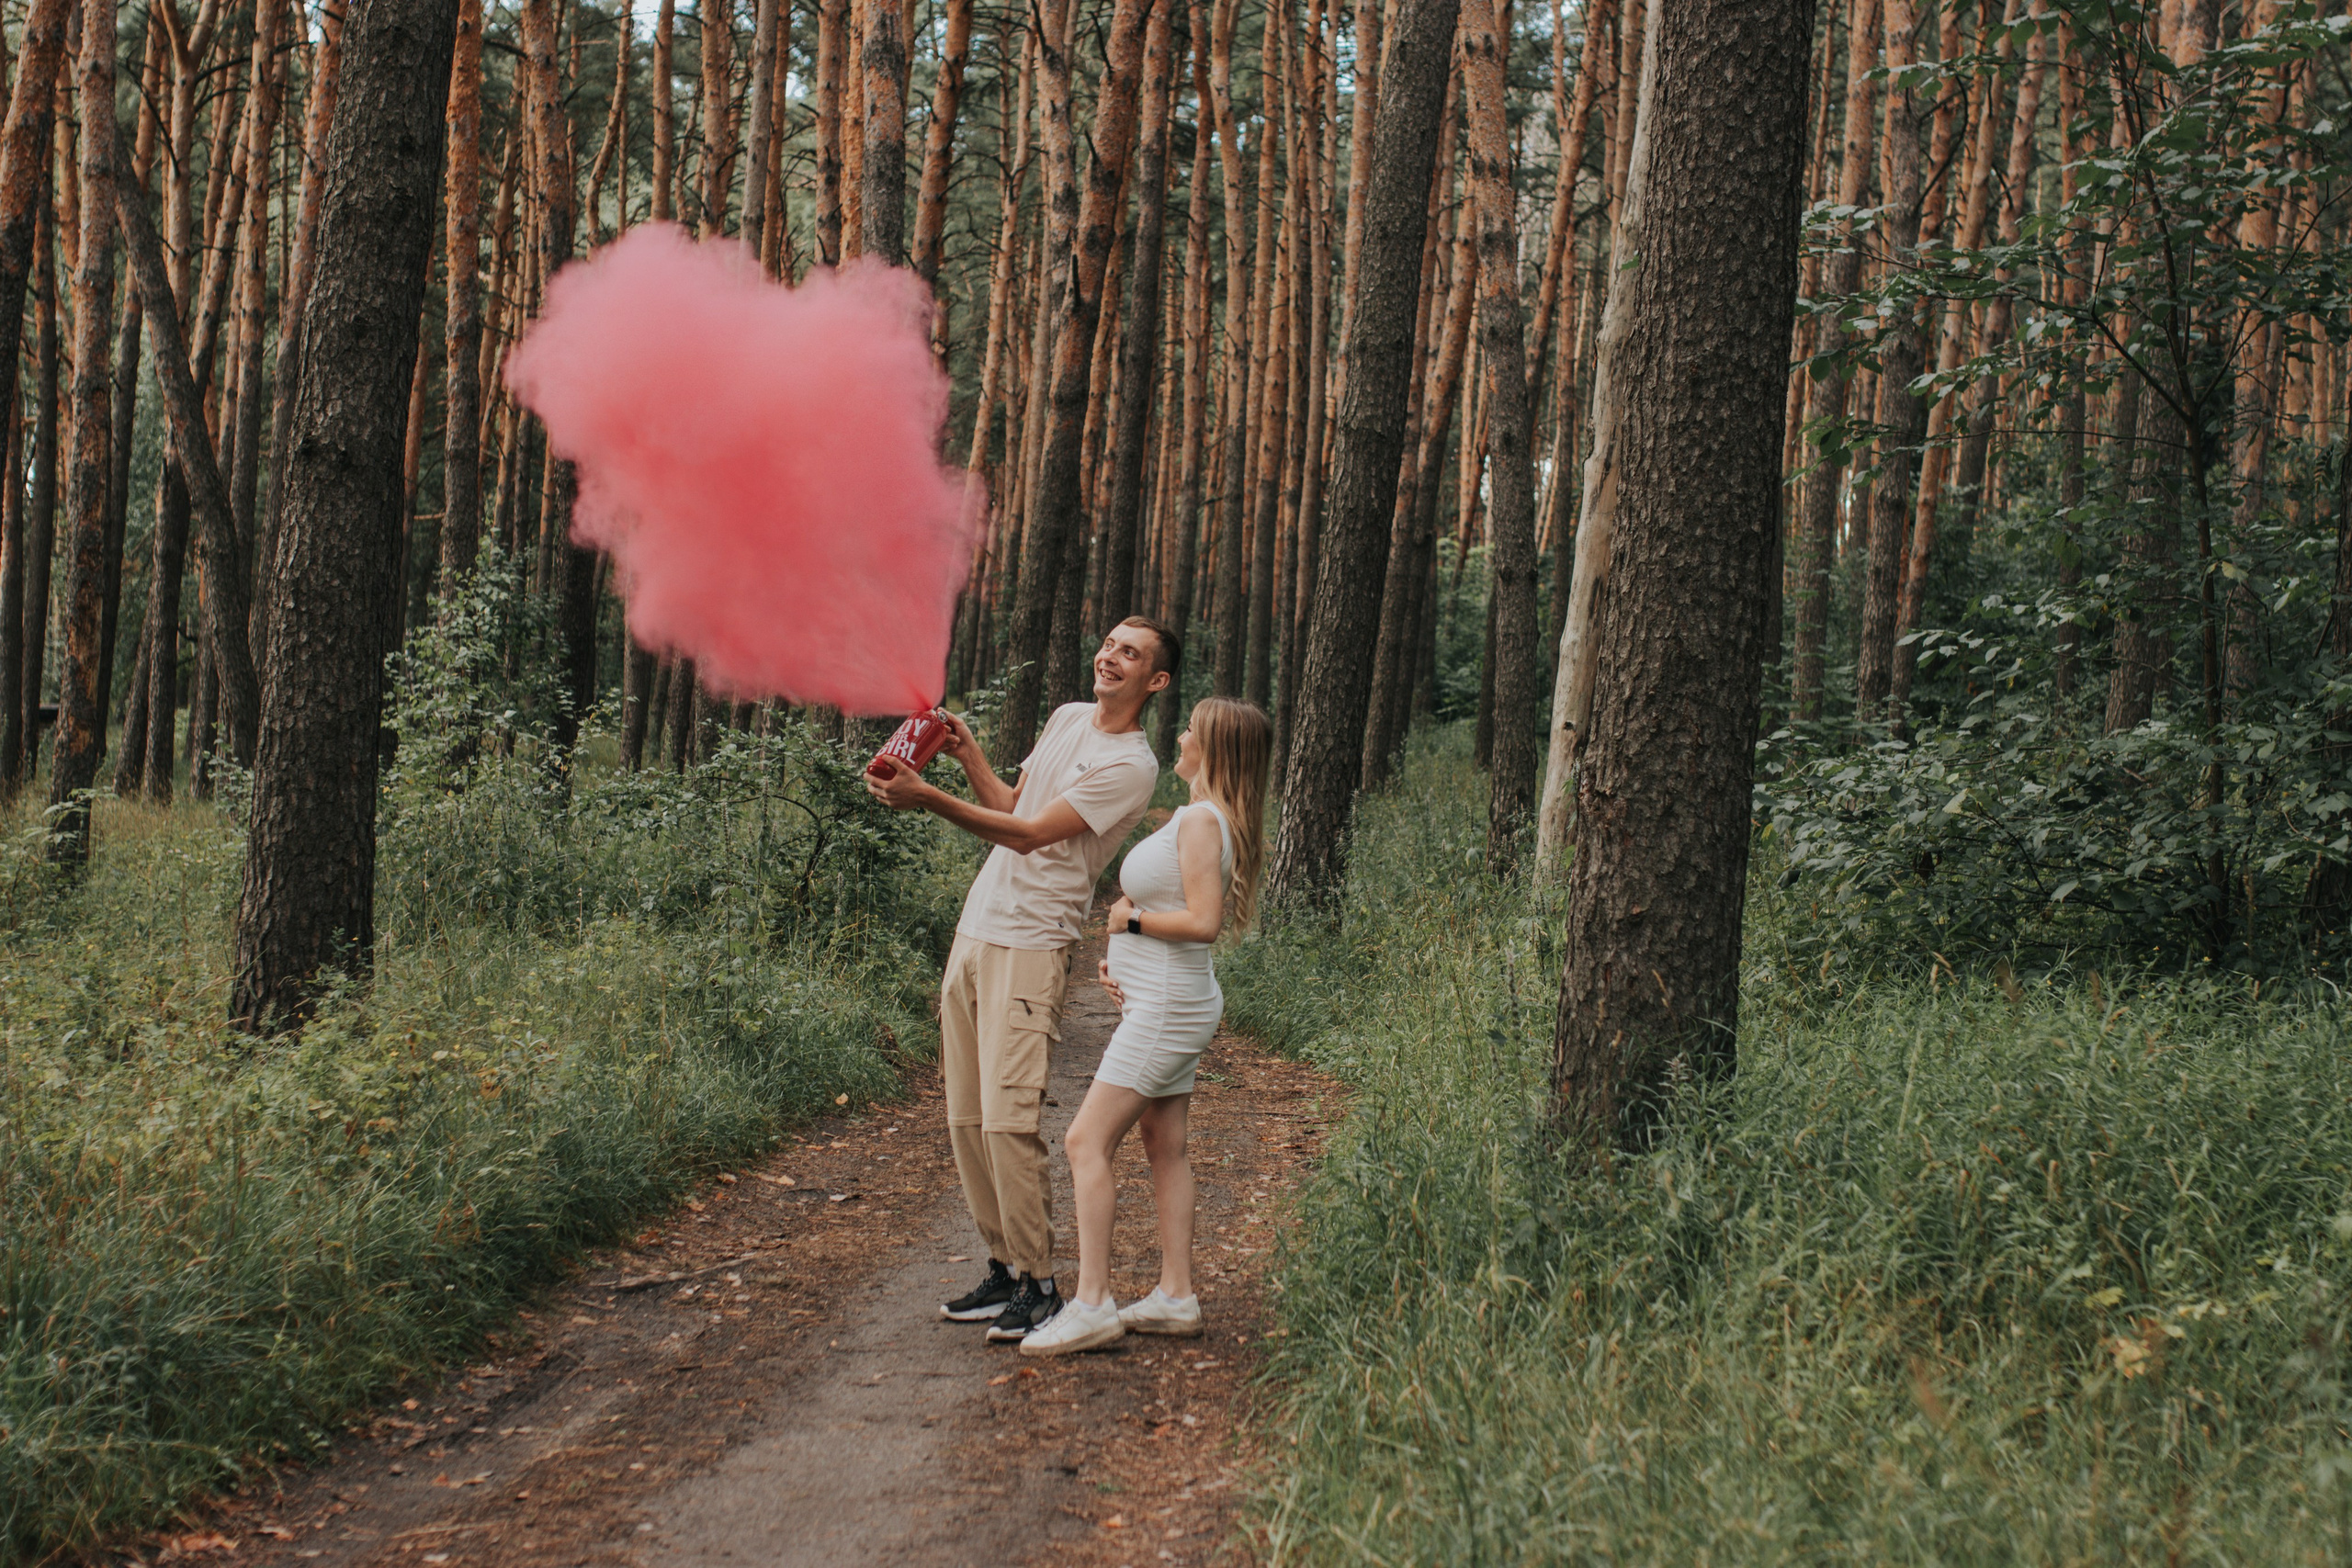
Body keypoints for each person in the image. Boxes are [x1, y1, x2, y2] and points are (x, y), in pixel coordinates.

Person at [865, 617, 1177, 1342]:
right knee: (966, 1119)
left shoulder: (1134, 765)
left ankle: (1040, 1284)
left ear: (1154, 681)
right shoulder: (1068, 716)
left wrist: (928, 799)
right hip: (978, 928)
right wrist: (967, 752)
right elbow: (1014, 806)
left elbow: (1035, 836)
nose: (1109, 656)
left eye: (1130, 653)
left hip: (1034, 940)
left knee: (1009, 1120)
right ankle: (1004, 1269)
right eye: (1107, 643)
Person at [1018, 697, 1271, 1358]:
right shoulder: (1204, 818)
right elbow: (1176, 914)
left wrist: (1127, 923)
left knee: (1083, 1140)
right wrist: (1124, 957)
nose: (1181, 735)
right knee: (1164, 1142)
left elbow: (1203, 923)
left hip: (1167, 1008)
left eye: (1192, 728)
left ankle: (1093, 1302)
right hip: (1165, 999)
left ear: (1212, 749)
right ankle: (1175, 1294)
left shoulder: (1196, 821)